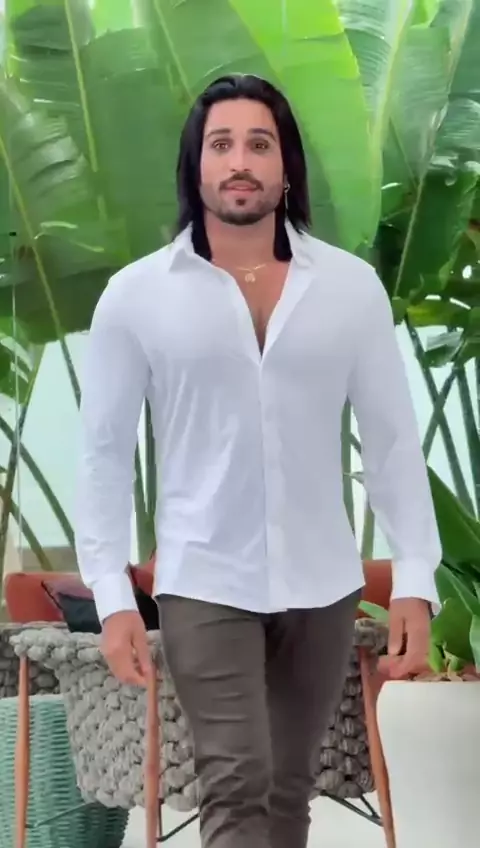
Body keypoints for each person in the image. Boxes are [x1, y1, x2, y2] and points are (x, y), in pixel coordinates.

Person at [75, 74, 441, 848]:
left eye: (258, 143)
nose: (240, 161)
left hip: (323, 582)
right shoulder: (135, 296)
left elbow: (391, 439)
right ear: (196, 166)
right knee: (236, 780)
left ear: (285, 166)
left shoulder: (351, 290)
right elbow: (103, 454)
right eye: (222, 144)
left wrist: (415, 577)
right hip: (204, 578)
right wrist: (111, 595)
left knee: (287, 789)